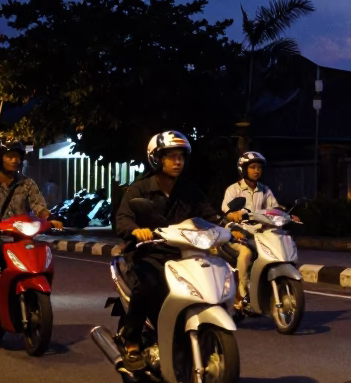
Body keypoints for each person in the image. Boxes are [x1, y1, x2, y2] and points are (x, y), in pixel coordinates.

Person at [115, 131, 221, 370]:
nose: (177, 162)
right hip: (148, 254)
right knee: (149, 285)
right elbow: (122, 219)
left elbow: (209, 215)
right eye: (171, 156)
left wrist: (227, 226)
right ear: (156, 158)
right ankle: (131, 341)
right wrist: (135, 231)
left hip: (182, 255)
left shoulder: (189, 190)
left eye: (181, 157)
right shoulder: (139, 190)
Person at [0, 141, 58, 320]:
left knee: (41, 254)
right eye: (10, 156)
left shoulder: (27, 184)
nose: (15, 160)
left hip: (19, 236)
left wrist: (50, 218)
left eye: (18, 156)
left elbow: (38, 206)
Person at [220, 151, 295, 312]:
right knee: (246, 253)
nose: (256, 171)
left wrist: (286, 214)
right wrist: (234, 215)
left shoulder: (265, 190)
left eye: (259, 168)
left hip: (258, 233)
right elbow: (227, 211)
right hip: (236, 232)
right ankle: (242, 295)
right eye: (253, 167)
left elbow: (274, 208)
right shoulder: (234, 190)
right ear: (243, 169)